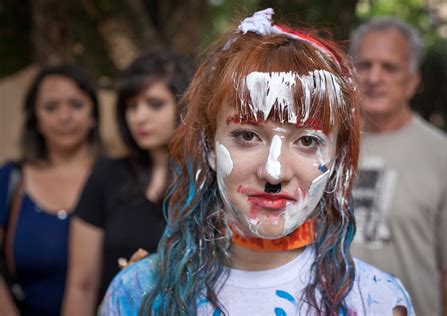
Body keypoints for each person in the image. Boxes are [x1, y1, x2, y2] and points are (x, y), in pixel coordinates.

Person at [99, 9, 414, 316]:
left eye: (307, 141)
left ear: (337, 158)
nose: (273, 172)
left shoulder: (376, 302)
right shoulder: (136, 293)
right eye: (247, 136)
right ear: (209, 145)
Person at [349, 17, 447, 315]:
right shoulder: (320, 146)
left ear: (413, 81)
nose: (374, 77)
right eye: (364, 65)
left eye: (389, 67)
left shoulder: (446, 157)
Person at [61, 50, 193, 315]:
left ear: (185, 105)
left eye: (154, 104)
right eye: (131, 106)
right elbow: (81, 284)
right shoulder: (107, 175)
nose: (139, 117)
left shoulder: (206, 180)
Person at [0, 64, 101, 316]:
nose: (64, 116)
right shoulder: (11, 179)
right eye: (51, 107)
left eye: (76, 105)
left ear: (93, 116)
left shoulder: (116, 178)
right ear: (35, 119)